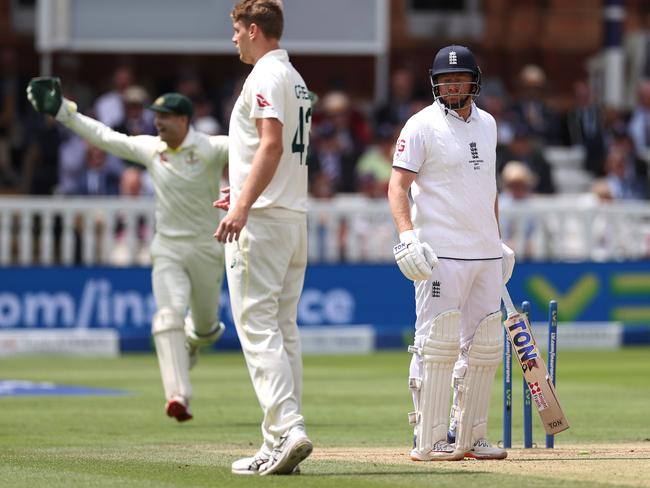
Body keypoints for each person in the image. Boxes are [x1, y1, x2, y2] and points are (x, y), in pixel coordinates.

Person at [26, 78, 229, 422]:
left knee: (207, 328)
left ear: (183, 120)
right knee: (167, 315)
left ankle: (193, 343)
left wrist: (296, 118)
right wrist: (63, 111)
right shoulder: (152, 149)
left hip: (208, 248)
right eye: (156, 116)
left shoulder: (211, 147)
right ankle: (177, 396)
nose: (157, 122)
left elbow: (258, 146)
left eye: (164, 116)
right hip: (167, 247)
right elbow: (106, 137)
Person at [387, 45, 515, 462]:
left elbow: (488, 190)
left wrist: (496, 241)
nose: (451, 85)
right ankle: (428, 439)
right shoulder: (420, 125)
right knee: (437, 344)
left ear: (474, 81)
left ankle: (471, 436)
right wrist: (407, 236)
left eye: (458, 79)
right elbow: (397, 186)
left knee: (484, 347)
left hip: (483, 255)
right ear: (434, 83)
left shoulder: (489, 123)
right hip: (440, 253)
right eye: (444, 80)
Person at [213, 0, 313, 476]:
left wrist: (242, 206)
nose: (232, 38)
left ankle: (287, 428)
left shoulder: (265, 78)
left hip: (266, 222)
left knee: (256, 329)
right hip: (292, 217)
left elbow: (271, 143)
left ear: (254, 30)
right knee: (282, 329)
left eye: (235, 30)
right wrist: (242, 189)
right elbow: (268, 151)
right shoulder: (294, 77)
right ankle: (279, 439)